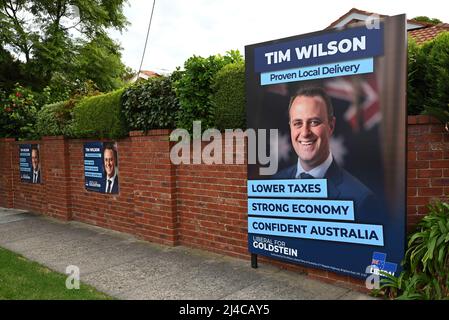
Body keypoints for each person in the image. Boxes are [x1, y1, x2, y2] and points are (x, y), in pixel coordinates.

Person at [275, 87, 379, 218]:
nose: (305, 132)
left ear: (331, 126)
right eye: (298, 123)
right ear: (290, 126)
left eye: (314, 122)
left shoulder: (361, 200)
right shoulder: (276, 182)